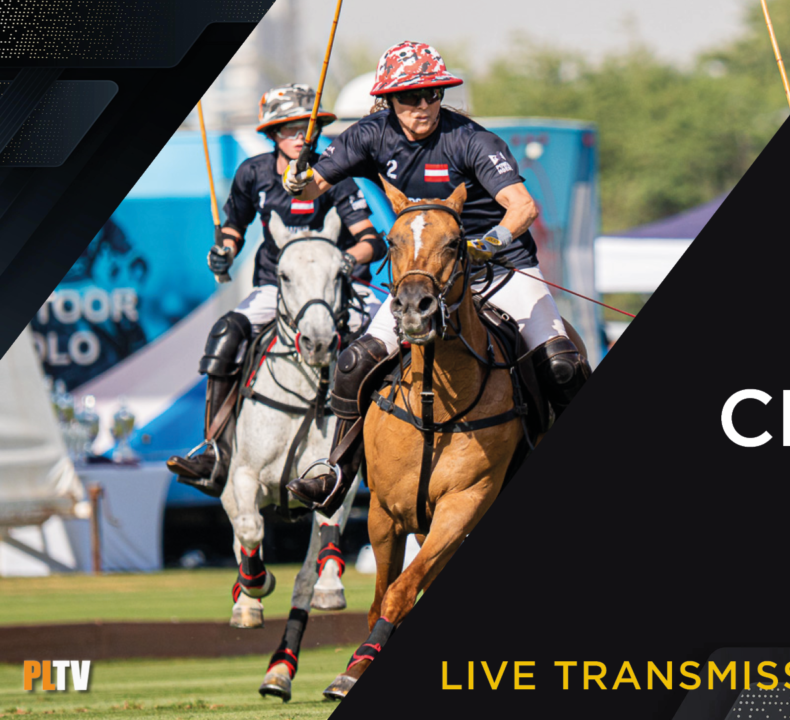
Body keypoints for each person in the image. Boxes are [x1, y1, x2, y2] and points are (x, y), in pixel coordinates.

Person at [281, 41, 589, 512]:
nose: (423, 105)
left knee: (561, 364)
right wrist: (296, 176)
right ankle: (336, 470)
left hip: (500, 269)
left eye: (433, 94)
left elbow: (523, 207)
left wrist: (487, 244)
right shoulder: (369, 136)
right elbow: (309, 190)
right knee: (352, 365)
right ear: (388, 100)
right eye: (410, 96)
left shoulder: (472, 140)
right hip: (423, 278)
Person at [166, 84, 388, 497]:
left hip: (336, 290)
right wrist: (224, 251)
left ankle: (386, 445)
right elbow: (234, 228)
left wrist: (343, 262)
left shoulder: (332, 174)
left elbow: (370, 240)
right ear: (272, 134)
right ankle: (214, 448)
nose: (301, 137)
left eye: (308, 128)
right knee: (226, 332)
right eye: (290, 130)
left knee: (390, 341)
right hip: (278, 287)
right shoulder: (254, 173)